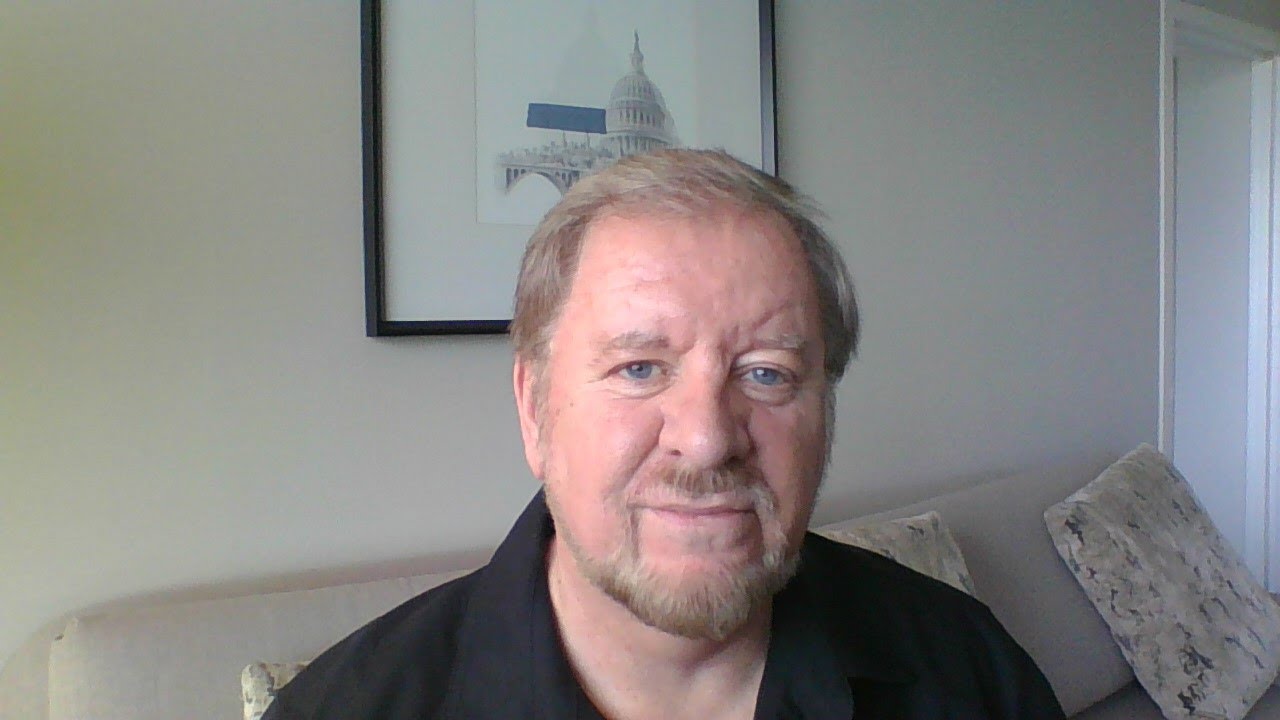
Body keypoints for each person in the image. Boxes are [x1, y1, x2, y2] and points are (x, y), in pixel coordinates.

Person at [264, 149, 1064, 719]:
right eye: (640, 368)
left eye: (767, 373)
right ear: (534, 409)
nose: (708, 440)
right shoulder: (344, 708)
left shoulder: (969, 668)